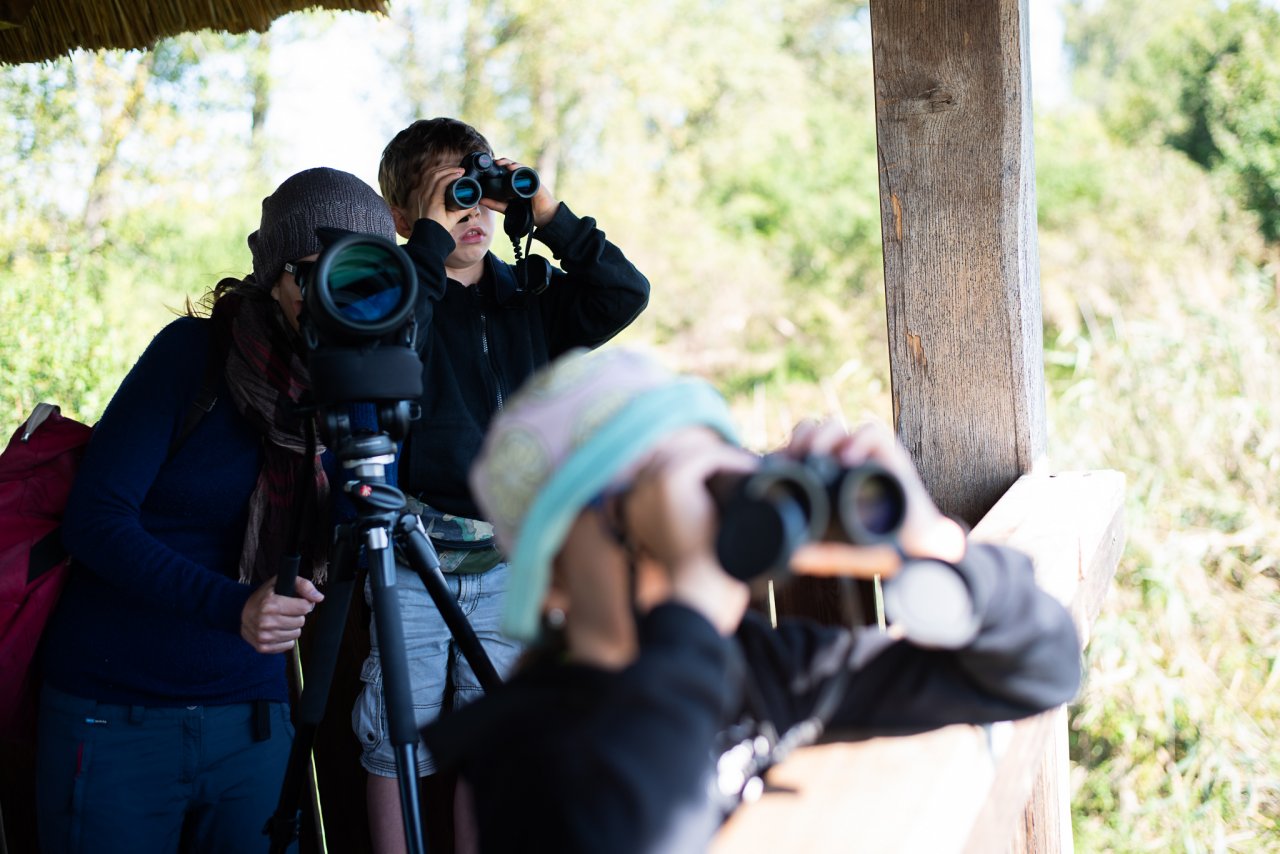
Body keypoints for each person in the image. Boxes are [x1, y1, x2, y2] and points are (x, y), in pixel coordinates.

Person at [418, 346, 1084, 854]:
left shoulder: (761, 668)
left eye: (714, 485)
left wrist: (929, 544)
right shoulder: (529, 743)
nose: (693, 523)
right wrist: (696, 599)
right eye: (651, 499)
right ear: (554, 576)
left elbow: (1041, 669)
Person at [34, 168, 400, 854]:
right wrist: (232, 606)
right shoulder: (194, 354)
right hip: (116, 710)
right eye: (319, 274)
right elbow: (96, 520)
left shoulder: (356, 387)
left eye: (364, 276)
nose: (340, 296)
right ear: (275, 276)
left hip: (251, 718)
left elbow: (356, 530)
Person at [354, 117, 650, 851]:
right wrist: (426, 248)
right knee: (397, 739)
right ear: (404, 218)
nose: (473, 213)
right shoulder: (396, 295)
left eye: (481, 193)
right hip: (414, 557)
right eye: (451, 197)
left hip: (510, 558)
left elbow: (624, 293)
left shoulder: (530, 298)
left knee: (500, 739)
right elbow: (388, 341)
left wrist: (546, 215)